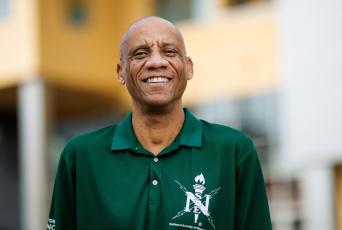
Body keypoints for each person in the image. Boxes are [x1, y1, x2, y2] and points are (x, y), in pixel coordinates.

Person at [47, 16, 272, 230]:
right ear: (121, 71)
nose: (156, 62)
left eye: (169, 52)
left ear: (189, 67)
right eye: (140, 53)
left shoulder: (234, 152)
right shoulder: (80, 156)